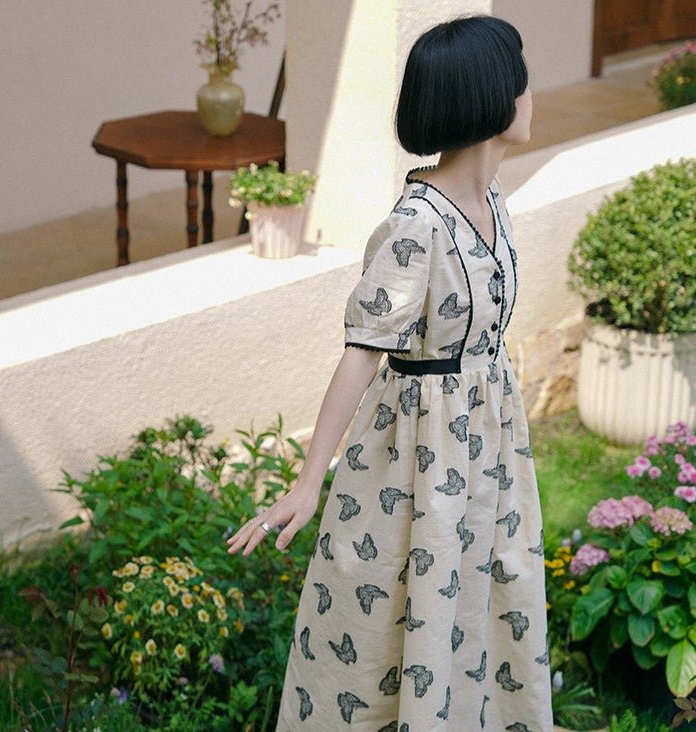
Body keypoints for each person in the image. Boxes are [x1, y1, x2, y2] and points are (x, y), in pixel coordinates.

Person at [227, 14, 554, 731]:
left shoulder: (492, 202)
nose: (532, 94)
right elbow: (363, 350)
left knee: (481, 598)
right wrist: (308, 481)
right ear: (493, 96)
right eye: (522, 79)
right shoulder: (418, 224)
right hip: (420, 457)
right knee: (399, 616)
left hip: (487, 447)